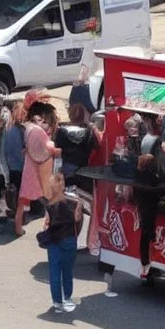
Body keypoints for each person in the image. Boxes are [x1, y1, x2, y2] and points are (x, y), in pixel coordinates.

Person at [15, 101, 60, 237]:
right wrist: (55, 148)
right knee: (49, 199)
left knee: (23, 199)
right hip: (43, 169)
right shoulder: (39, 132)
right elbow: (47, 150)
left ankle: (18, 228)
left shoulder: (28, 129)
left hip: (29, 167)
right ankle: (49, 227)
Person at [42, 172, 83, 313]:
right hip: (69, 239)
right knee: (67, 271)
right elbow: (77, 219)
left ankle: (57, 303)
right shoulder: (73, 201)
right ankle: (67, 298)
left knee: (54, 272)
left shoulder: (49, 202)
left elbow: (46, 224)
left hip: (54, 240)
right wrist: (79, 206)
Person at [133, 154, 165, 278]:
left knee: (145, 235)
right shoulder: (150, 177)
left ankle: (145, 263)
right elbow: (158, 190)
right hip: (150, 207)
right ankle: (148, 263)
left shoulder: (137, 176)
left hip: (142, 206)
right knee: (149, 234)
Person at [54, 103, 100, 183]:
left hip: (64, 167)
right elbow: (97, 146)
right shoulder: (90, 132)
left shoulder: (60, 130)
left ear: (70, 114)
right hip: (83, 169)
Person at [4, 100, 26, 214]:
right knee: (18, 190)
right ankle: (17, 212)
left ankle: (11, 208)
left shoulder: (6, 128)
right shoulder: (22, 130)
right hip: (20, 165)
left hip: (9, 164)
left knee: (11, 187)